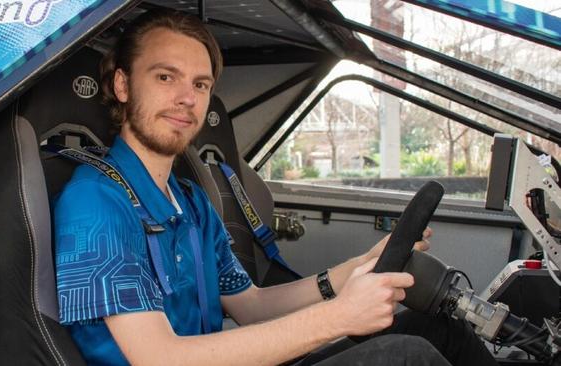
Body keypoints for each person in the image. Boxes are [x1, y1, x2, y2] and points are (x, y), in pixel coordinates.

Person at [54, 9, 497, 366]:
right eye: (165, 77)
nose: (187, 98)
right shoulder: (95, 202)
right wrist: (339, 316)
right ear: (123, 85)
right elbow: (159, 358)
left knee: (441, 330)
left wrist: (352, 271)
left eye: (200, 84)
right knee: (406, 355)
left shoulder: (191, 202)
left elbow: (251, 306)